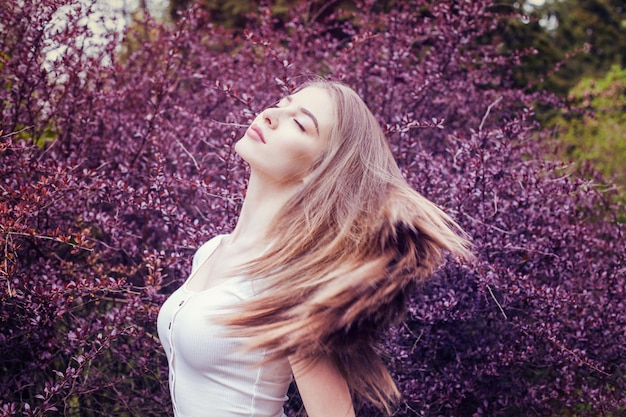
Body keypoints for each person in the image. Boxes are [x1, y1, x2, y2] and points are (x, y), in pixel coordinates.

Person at [157, 79, 472, 417]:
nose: (270, 115)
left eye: (299, 122)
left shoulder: (290, 280)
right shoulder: (210, 251)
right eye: (281, 103)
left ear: (321, 170)